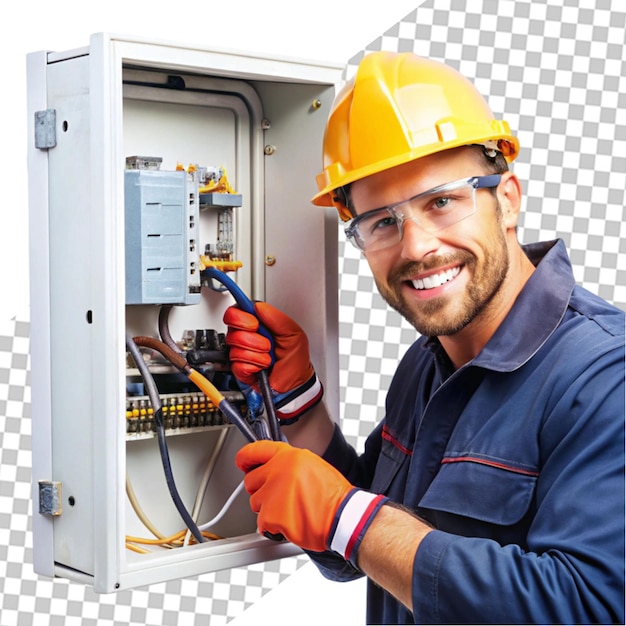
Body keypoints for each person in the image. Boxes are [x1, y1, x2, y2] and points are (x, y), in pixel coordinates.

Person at [224, 52, 625, 624]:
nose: (415, 248)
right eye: (382, 222)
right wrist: (300, 402)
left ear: (506, 199)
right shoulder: (426, 364)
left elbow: (588, 608)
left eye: (441, 201)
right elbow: (366, 546)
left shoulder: (606, 377)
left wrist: (347, 517)